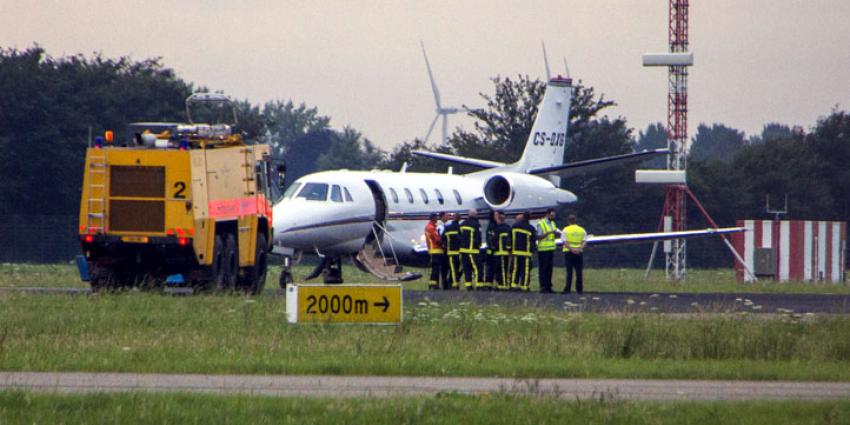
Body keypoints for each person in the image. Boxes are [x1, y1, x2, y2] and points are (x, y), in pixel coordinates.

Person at [486, 210, 512, 290]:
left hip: (500, 253)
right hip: (495, 253)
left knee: (502, 270)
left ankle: (502, 285)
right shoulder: (492, 226)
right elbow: (490, 239)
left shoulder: (503, 227)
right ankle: (491, 284)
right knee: (495, 269)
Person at [510, 212, 537, 291]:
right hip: (526, 253)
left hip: (516, 251)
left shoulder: (515, 226)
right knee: (525, 270)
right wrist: (533, 250)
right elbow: (533, 241)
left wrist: (509, 249)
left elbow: (510, 238)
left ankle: (513, 285)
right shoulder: (531, 228)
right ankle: (524, 286)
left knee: (515, 269)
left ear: (522, 217)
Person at [536, 208, 560, 293]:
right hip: (543, 249)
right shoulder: (541, 223)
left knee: (549, 269)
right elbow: (538, 236)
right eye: (552, 215)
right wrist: (549, 233)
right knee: (543, 268)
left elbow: (555, 235)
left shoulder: (553, 223)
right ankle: (543, 286)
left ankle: (548, 286)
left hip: (550, 248)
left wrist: (556, 234)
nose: (553, 217)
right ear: (547, 214)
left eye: (554, 215)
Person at [459, 209, 485, 290]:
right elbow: (478, 237)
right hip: (473, 251)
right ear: (475, 215)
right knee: (478, 268)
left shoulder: (462, 224)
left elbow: (459, 236)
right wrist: (479, 245)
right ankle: (479, 285)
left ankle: (468, 286)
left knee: (467, 269)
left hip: (463, 251)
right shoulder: (476, 224)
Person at [562, 214, 587, 294]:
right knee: (579, 271)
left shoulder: (565, 229)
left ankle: (567, 289)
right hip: (579, 253)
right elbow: (584, 241)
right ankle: (579, 289)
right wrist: (579, 249)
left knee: (569, 272)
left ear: (568, 221)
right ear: (575, 221)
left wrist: (572, 249)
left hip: (569, 252)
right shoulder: (582, 230)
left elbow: (564, 242)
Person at [442, 213, 462, 289]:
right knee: (457, 269)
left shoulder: (447, 228)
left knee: (453, 269)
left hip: (450, 252)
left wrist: (445, 247)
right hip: (459, 252)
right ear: (459, 219)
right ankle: (454, 283)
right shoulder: (460, 228)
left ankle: (453, 284)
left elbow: (443, 239)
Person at [424, 213, 444, 290]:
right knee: (436, 268)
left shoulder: (429, 227)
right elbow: (437, 239)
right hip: (436, 250)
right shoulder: (431, 228)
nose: (437, 219)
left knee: (434, 268)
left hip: (433, 250)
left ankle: (432, 284)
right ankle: (434, 285)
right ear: (433, 218)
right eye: (436, 218)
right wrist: (443, 245)